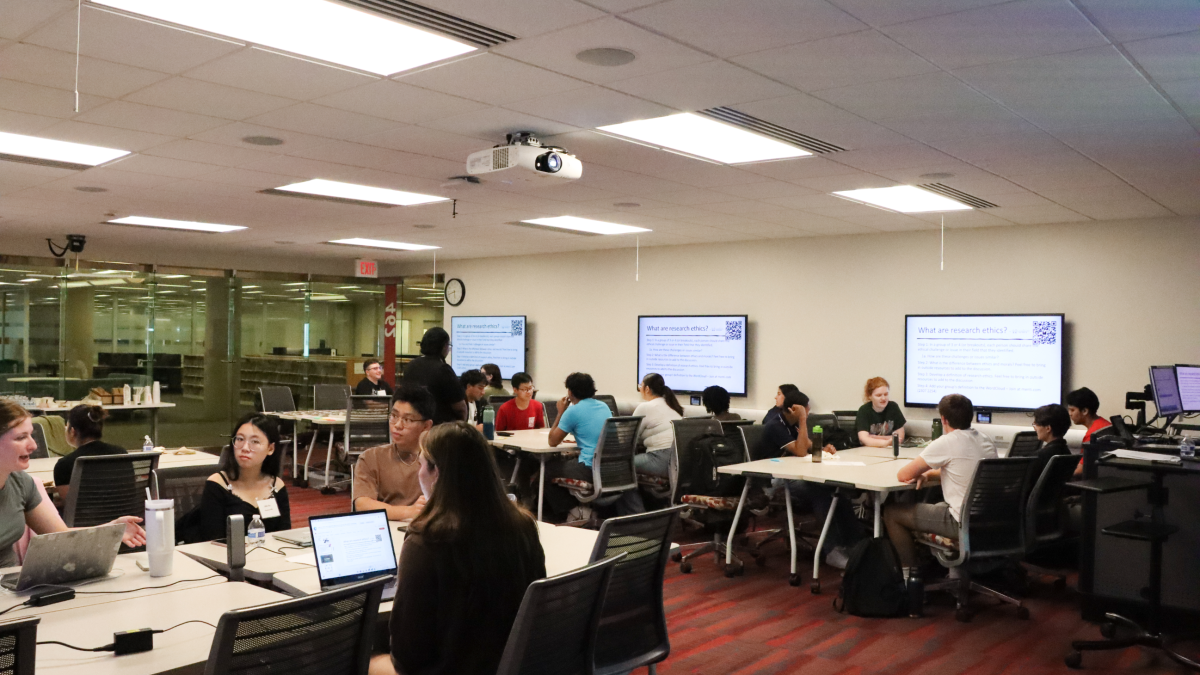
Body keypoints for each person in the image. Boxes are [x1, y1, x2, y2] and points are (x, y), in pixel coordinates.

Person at [369, 422, 546, 675]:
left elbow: (407, 656)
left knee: (361, 656)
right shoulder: (522, 525)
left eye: (421, 466)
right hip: (511, 664)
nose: (419, 473)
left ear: (436, 473)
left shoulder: (426, 542)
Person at [0, 400, 144, 568]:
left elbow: (61, 537)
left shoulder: (22, 483)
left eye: (31, 435)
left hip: (8, 584)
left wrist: (112, 530)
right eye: (21, 437)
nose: (33, 445)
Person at [883, 394, 998, 577]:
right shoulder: (986, 440)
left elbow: (903, 475)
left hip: (961, 521)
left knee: (892, 513)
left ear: (943, 419)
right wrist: (929, 474)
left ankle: (910, 577)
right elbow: (966, 472)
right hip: (988, 517)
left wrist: (924, 473)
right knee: (936, 505)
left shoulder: (947, 442)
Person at [755, 389, 861, 568]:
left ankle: (854, 545)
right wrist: (803, 419)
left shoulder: (793, 424)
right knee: (820, 491)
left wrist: (824, 448)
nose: (808, 414)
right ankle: (831, 550)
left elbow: (809, 446)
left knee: (837, 491)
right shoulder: (776, 425)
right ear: (793, 410)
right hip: (774, 480)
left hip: (792, 473)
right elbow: (801, 451)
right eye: (805, 411)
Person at [196, 413, 291, 542]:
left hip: (269, 557)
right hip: (227, 558)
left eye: (255, 441)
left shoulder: (276, 485)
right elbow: (213, 541)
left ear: (270, 448)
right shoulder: (218, 484)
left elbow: (284, 536)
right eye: (240, 439)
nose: (245, 448)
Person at [353, 384, 433, 520]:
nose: (397, 425)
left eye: (407, 419)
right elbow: (362, 504)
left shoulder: (438, 460)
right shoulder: (371, 458)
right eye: (394, 416)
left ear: (426, 426)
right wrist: (409, 511)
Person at [545, 372, 615, 519]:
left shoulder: (573, 411)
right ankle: (578, 511)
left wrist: (560, 412)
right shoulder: (604, 406)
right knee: (561, 465)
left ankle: (574, 512)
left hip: (589, 468)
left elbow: (552, 441)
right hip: (610, 466)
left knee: (546, 471)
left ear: (570, 392)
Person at [53, 404, 126, 500]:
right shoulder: (121, 454)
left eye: (66, 426)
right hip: (126, 514)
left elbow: (70, 505)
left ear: (73, 431)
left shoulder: (64, 465)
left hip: (86, 515)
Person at [401, 327, 466, 424]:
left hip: (414, 424)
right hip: (439, 428)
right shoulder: (443, 369)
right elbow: (460, 407)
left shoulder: (410, 366)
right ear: (444, 346)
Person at [632, 373, 683, 479]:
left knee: (620, 465)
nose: (640, 389)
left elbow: (630, 438)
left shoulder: (645, 407)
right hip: (679, 460)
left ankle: (630, 496)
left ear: (647, 389)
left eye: (640, 386)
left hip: (660, 459)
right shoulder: (671, 405)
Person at [856, 377, 906, 447]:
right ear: (870, 396)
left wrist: (874, 437)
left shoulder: (893, 407)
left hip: (889, 449)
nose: (883, 398)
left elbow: (900, 437)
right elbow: (863, 439)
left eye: (886, 394)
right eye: (878, 395)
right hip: (868, 449)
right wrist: (886, 442)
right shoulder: (864, 411)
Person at [1031, 403, 1072, 480]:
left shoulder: (1040, 456)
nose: (1035, 428)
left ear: (1048, 428)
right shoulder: (1066, 452)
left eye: (1036, 424)